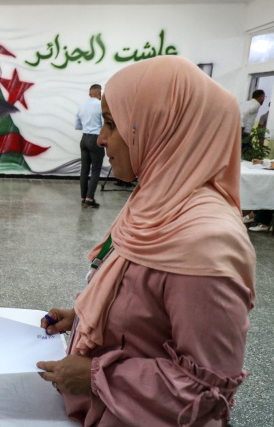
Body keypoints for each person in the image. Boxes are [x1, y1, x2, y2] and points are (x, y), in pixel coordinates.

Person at [36, 56, 256, 426]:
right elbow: (147, 309)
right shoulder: (155, 202)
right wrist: (85, 318)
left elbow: (205, 392)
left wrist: (95, 376)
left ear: (163, 126)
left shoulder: (207, 241)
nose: (102, 139)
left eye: (112, 123)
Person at [75, 84, 104, 208]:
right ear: (99, 94)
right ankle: (89, 198)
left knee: (84, 170)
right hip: (95, 139)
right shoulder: (100, 106)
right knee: (96, 170)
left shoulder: (82, 106)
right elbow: (104, 125)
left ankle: (83, 197)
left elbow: (78, 126)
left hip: (84, 138)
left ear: (89, 94)